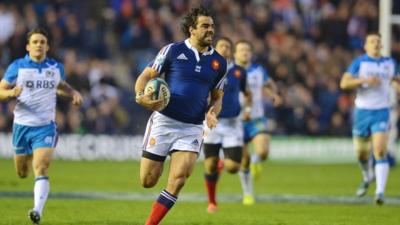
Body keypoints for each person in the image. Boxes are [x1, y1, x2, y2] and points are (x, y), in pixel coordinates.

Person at [134, 7, 227, 225]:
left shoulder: (220, 63)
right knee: (148, 181)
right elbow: (147, 75)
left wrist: (213, 112)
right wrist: (140, 96)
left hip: (192, 127)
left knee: (178, 179)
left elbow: (217, 97)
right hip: (163, 122)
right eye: (205, 26)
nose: (210, 30)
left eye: (212, 26)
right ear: (191, 29)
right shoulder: (172, 51)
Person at [0, 28, 83, 224]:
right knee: (22, 172)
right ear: (28, 46)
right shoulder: (17, 67)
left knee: (41, 167)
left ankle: (37, 210)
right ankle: (28, 156)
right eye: (35, 42)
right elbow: (1, 90)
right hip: (22, 126)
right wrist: (11, 94)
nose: (39, 45)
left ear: (47, 46)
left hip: (45, 126)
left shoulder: (56, 67)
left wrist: (73, 93)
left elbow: (60, 86)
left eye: (42, 42)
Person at [340, 32, 399, 205]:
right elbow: (344, 83)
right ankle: (367, 175)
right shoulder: (359, 63)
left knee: (380, 150)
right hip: (362, 112)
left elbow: (395, 81)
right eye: (371, 41)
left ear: (381, 46)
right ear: (365, 46)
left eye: (377, 42)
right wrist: (364, 80)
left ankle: (380, 192)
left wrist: (396, 86)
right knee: (361, 154)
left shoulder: (390, 63)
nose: (375, 44)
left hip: (381, 111)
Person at [202, 37, 251, 213]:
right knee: (209, 165)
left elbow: (247, 93)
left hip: (233, 125)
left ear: (231, 51)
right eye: (221, 45)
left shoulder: (239, 72)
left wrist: (248, 110)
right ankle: (212, 202)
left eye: (228, 47)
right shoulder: (207, 68)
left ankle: (224, 163)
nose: (224, 49)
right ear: (215, 48)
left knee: (233, 167)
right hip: (212, 124)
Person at [234, 40, 281, 205]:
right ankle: (248, 194)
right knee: (243, 159)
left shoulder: (258, 71)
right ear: (235, 54)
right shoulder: (230, 71)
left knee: (263, 151)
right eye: (241, 50)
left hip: (256, 118)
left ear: (251, 53)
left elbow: (267, 85)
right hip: (237, 121)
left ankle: (257, 161)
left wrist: (273, 94)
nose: (245, 53)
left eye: (247, 50)